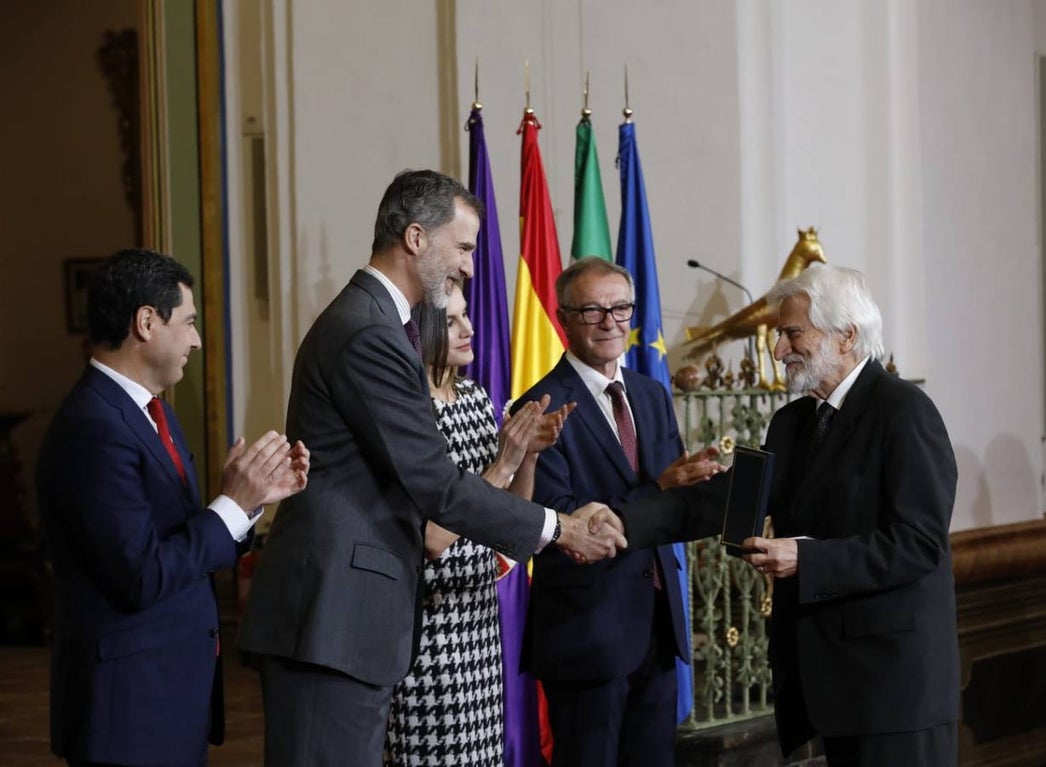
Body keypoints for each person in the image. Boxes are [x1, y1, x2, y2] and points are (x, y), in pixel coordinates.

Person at [237, 169, 625, 767]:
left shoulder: (380, 324)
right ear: (416, 237)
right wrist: (561, 529)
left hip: (349, 623)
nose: (471, 266)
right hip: (330, 622)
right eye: (464, 247)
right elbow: (437, 485)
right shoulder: (367, 330)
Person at [613, 263, 959, 766]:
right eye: (780, 334)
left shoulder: (904, 412)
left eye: (792, 332)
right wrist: (623, 522)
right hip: (828, 685)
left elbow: (920, 545)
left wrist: (806, 559)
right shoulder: (793, 421)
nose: (778, 350)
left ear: (846, 336)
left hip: (895, 691)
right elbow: (728, 500)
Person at [37, 248, 309, 767]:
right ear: (146, 322)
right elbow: (142, 575)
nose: (197, 339)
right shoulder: (93, 428)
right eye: (188, 322)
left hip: (165, 696)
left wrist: (248, 506)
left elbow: (181, 539)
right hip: (128, 709)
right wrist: (231, 505)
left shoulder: (150, 409)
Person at [513, 257, 722, 767]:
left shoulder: (650, 394)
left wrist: (710, 486)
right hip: (588, 636)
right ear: (564, 317)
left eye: (621, 308)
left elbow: (672, 505)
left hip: (657, 625)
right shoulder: (538, 406)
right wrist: (661, 486)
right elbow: (555, 524)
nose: (610, 321)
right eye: (593, 310)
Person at [386, 287, 571, 765]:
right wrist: (504, 463)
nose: (470, 328)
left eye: (467, 315)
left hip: (478, 622)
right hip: (427, 631)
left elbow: (509, 519)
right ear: (419, 330)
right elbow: (431, 535)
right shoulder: (406, 412)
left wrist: (527, 454)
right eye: (451, 321)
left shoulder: (474, 397)